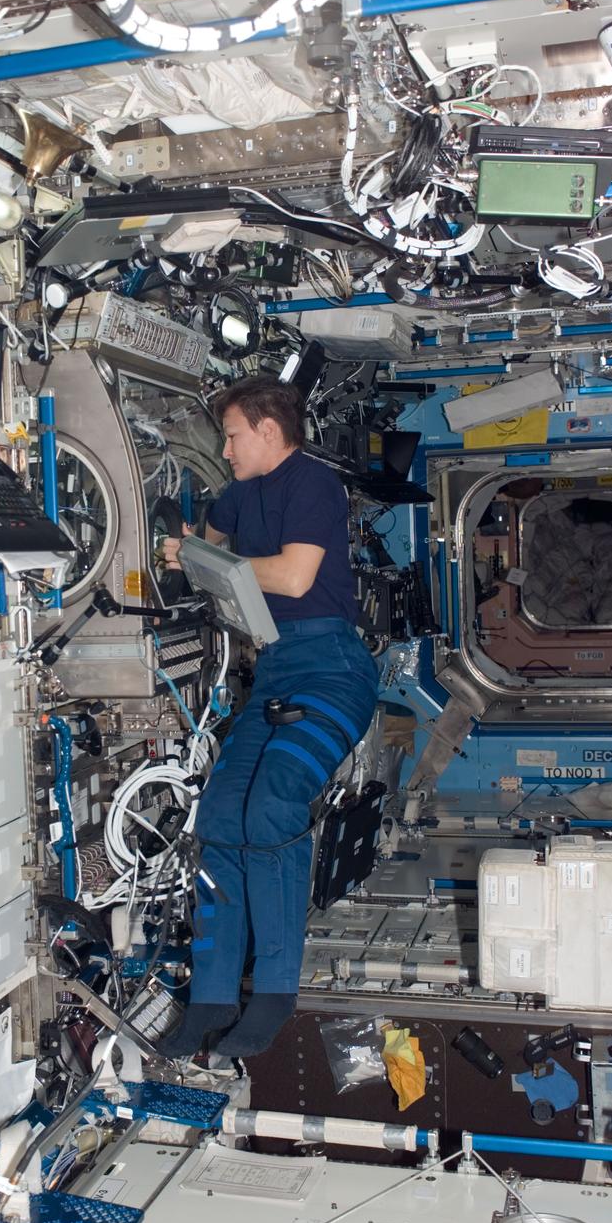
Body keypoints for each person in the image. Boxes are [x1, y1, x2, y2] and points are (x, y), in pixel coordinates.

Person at [157, 376, 379, 1059]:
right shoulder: (236, 495)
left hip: (333, 671)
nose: (224, 451)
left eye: (230, 435)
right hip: (277, 670)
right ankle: (213, 999)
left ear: (267, 430)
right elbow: (203, 539)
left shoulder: (309, 483)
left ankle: (276, 993)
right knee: (222, 811)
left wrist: (199, 557)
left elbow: (291, 578)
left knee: (273, 803)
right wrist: (183, 544)